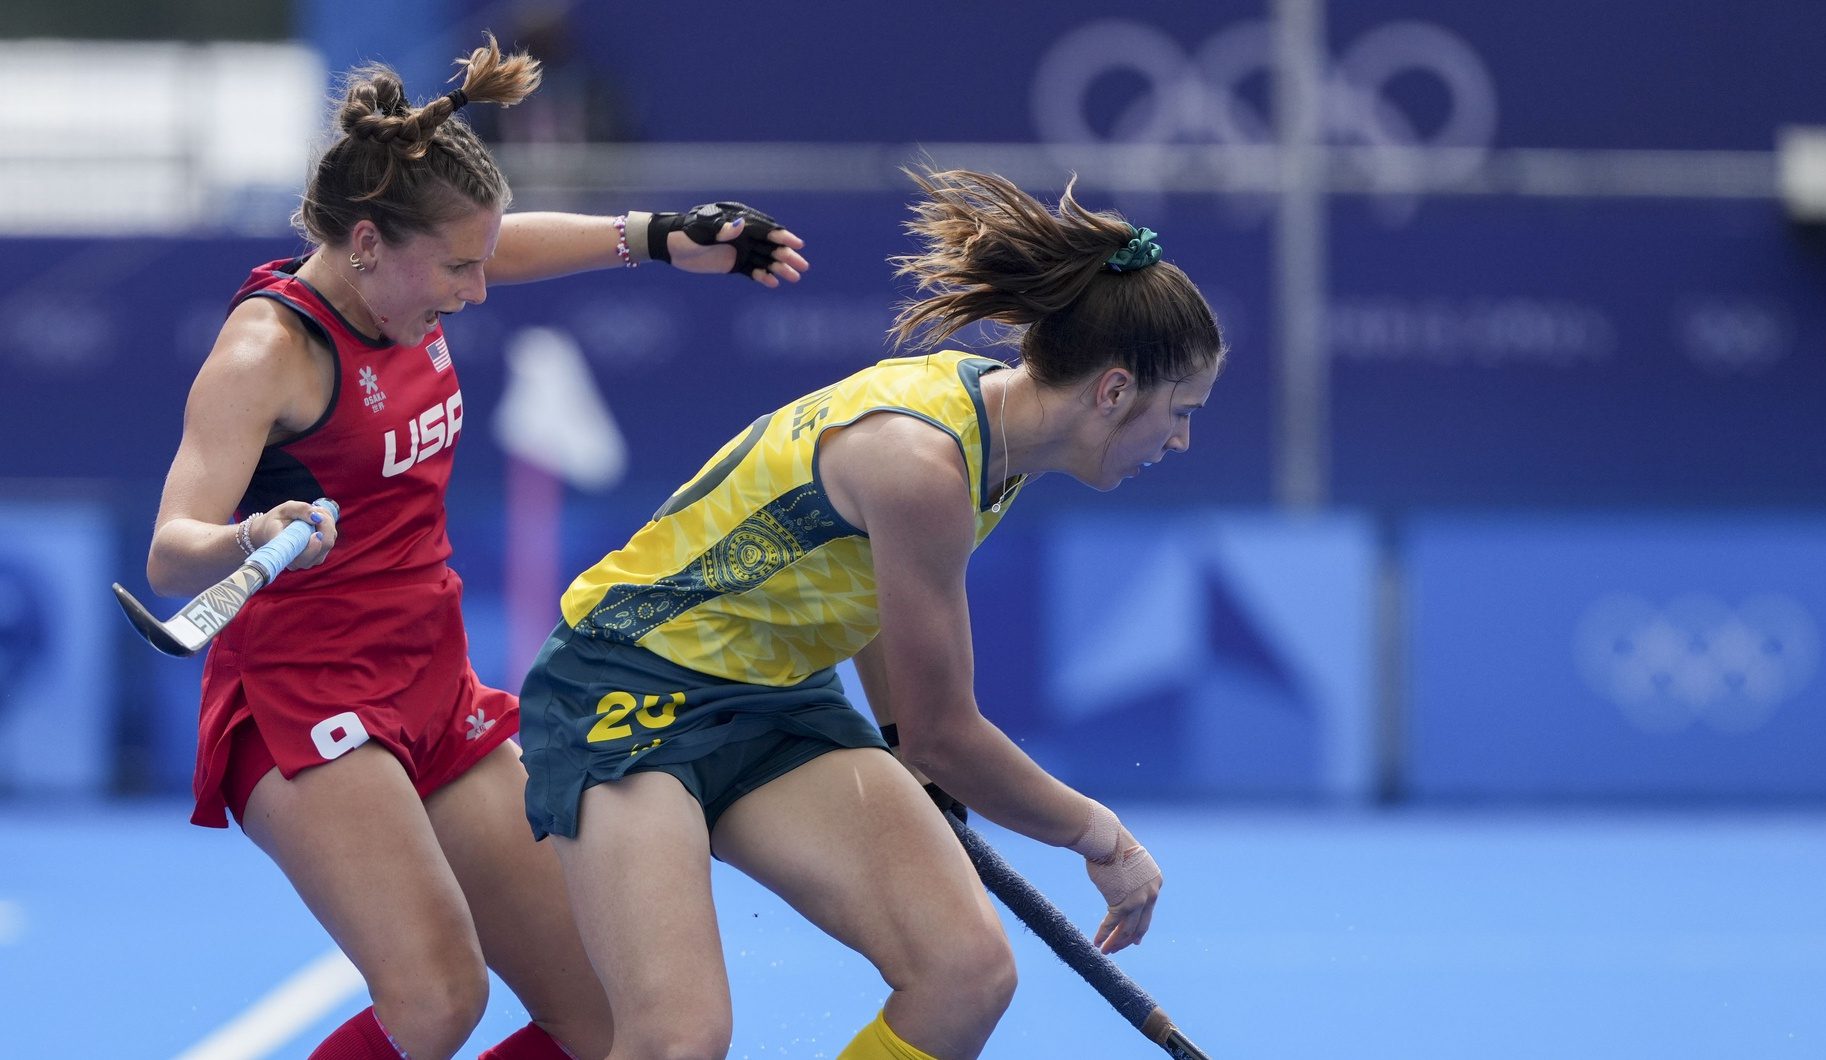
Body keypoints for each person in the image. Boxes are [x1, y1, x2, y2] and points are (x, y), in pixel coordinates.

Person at [143, 33, 810, 1060]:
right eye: (458, 266)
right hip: (304, 697)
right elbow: (170, 553)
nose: (478, 287)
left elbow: (505, 244)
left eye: (480, 258)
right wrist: (254, 530)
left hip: (431, 682)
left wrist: (664, 235)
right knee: (435, 999)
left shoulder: (414, 279)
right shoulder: (266, 352)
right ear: (366, 242)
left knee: (604, 1019)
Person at [518, 167, 1224, 1059]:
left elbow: (882, 602)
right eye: (1181, 412)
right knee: (677, 1038)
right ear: (1115, 391)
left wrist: (896, 737)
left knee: (965, 974)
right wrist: (1102, 837)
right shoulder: (922, 459)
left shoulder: (994, 431)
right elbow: (948, 737)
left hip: (773, 699)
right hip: (626, 687)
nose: (1182, 440)